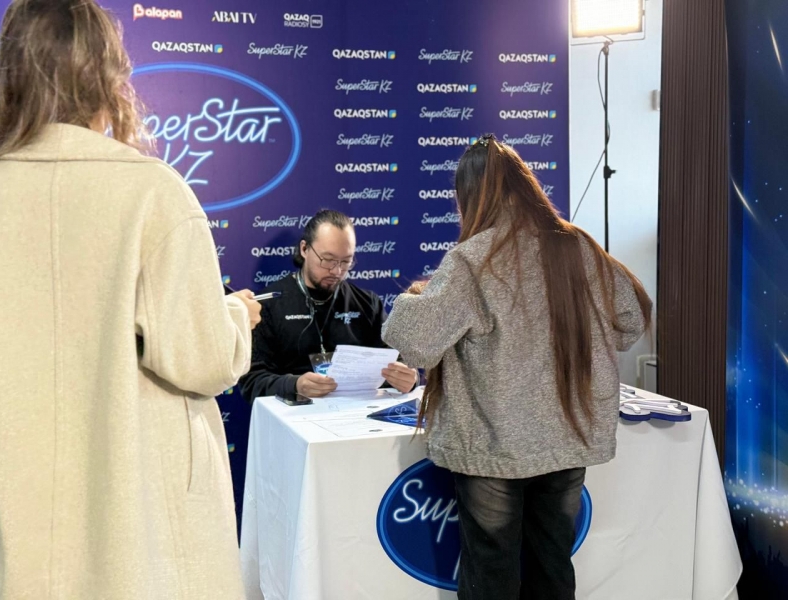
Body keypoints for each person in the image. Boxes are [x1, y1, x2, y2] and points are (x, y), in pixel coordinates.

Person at [0, 1, 261, 598]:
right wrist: (237, 314)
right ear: (109, 76)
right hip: (146, 531)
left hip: (28, 528)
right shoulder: (149, 192)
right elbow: (203, 360)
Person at [383, 134, 652, 600]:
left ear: (469, 197)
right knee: (552, 563)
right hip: (568, 436)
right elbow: (630, 320)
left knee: (491, 571)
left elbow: (415, 343)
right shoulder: (578, 246)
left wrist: (415, 296)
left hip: (496, 445)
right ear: (525, 185)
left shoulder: (474, 259)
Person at [238, 209, 417, 401]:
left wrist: (408, 379)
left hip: (357, 412)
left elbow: (398, 361)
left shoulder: (367, 303)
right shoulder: (268, 305)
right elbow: (252, 382)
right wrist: (295, 385)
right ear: (304, 249)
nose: (336, 271)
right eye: (328, 260)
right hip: (294, 414)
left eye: (346, 262)